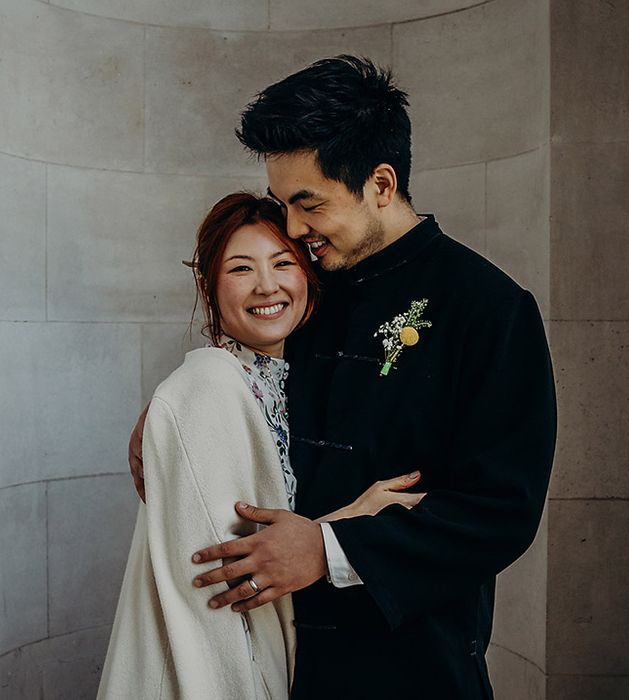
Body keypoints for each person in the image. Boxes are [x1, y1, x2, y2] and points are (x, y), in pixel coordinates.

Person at [129, 55, 557, 699]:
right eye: (283, 205)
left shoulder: (490, 308)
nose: (294, 230)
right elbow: (247, 395)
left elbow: (500, 512)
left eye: (309, 204)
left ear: (380, 184)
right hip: (277, 655)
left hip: (413, 661)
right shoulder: (305, 287)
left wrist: (327, 549)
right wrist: (168, 418)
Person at [103, 193, 425, 700]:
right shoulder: (208, 386)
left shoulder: (278, 379)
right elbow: (214, 585)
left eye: (283, 263)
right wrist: (349, 523)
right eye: (240, 268)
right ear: (208, 284)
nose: (267, 285)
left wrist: (349, 518)